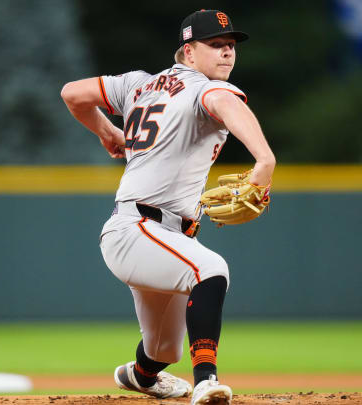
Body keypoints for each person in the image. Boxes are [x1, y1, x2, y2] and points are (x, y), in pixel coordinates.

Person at [61, 9, 275, 405]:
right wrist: (264, 159)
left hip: (156, 233)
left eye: (231, 46)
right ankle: (207, 380)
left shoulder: (137, 84)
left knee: (163, 350)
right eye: (215, 45)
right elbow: (228, 106)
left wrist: (106, 129)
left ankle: (140, 375)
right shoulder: (205, 88)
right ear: (189, 52)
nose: (227, 53)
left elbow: (72, 94)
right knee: (210, 270)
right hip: (138, 228)